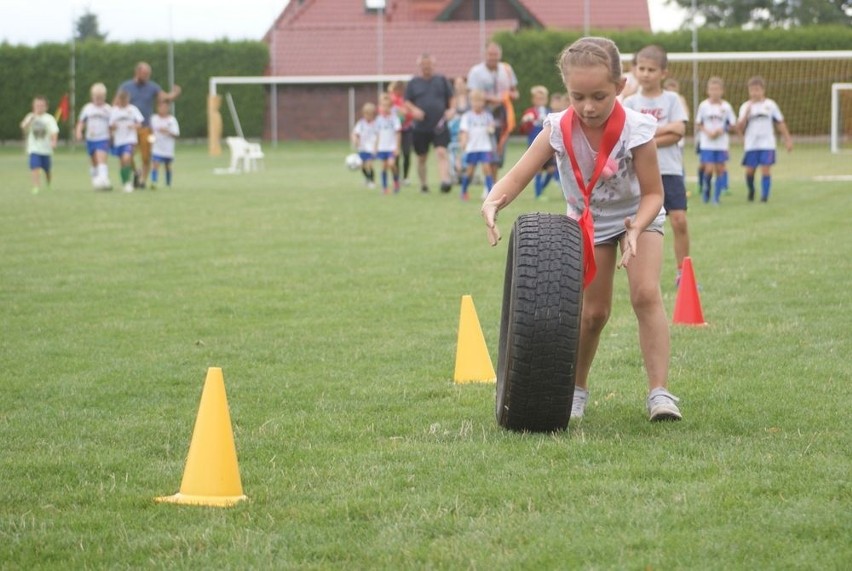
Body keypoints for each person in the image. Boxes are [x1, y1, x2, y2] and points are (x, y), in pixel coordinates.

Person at [481, 37, 682, 423]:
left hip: (637, 216)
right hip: (588, 221)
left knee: (644, 294)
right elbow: (519, 174)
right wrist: (493, 201)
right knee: (593, 313)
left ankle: (659, 393)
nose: (588, 107)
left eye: (599, 96)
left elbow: (655, 193)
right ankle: (576, 390)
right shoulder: (558, 128)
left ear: (621, 88)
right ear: (566, 91)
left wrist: (638, 228)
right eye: (578, 96)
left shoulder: (638, 129)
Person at [623, 45, 691, 288]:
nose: (646, 73)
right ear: (634, 69)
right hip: (640, 174)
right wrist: (662, 129)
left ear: (663, 73)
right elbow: (628, 136)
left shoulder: (672, 99)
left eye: (652, 69)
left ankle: (683, 272)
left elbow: (679, 132)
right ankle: (644, 278)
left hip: (670, 170)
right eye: (641, 68)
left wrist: (646, 136)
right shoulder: (629, 102)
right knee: (641, 226)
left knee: (679, 221)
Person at [118, 62, 181, 188]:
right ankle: (136, 172)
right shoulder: (126, 86)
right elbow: (116, 104)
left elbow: (164, 98)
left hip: (146, 128)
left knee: (146, 157)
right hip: (131, 129)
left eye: (148, 74)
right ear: (137, 72)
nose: (147, 77)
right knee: (127, 155)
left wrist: (174, 94)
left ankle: (142, 181)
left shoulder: (153, 87)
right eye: (145, 74)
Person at [466, 42, 519, 180]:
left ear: (500, 55)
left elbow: (515, 91)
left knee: (499, 149)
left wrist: (509, 96)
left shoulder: (506, 69)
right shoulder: (476, 72)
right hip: (485, 115)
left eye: (495, 54)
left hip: (503, 114)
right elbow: (473, 93)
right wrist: (492, 98)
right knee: (488, 148)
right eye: (490, 54)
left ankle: (493, 181)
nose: (493, 57)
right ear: (484, 55)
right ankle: (489, 183)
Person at [736, 76, 793, 202]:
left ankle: (764, 197)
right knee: (750, 171)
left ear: (763, 90)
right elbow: (739, 127)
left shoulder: (770, 105)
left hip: (767, 143)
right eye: (752, 90)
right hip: (751, 143)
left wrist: (787, 139)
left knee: (766, 169)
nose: (755, 93)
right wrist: (746, 114)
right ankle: (751, 190)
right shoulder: (745, 106)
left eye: (757, 90)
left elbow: (780, 123)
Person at [404, 53, 454, 193]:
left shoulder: (441, 80)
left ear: (434, 65)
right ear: (419, 66)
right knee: (422, 157)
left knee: (441, 152)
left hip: (439, 125)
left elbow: (451, 98)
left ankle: (445, 181)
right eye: (424, 66)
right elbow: (407, 102)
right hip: (421, 126)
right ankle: (424, 184)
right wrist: (414, 110)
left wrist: (452, 110)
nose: (427, 68)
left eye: (429, 65)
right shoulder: (413, 83)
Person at [696, 77, 738, 204]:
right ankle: (706, 191)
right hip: (707, 143)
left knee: (720, 169)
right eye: (712, 89)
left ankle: (716, 198)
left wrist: (722, 129)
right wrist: (708, 132)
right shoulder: (703, 106)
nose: (714, 92)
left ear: (722, 91)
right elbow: (698, 123)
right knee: (708, 169)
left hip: (721, 144)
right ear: (708, 91)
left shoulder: (726, 106)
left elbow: (732, 124)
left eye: (717, 89)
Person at [518, 85, 557, 199]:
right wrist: (525, 121)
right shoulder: (530, 112)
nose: (540, 100)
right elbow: (523, 130)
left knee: (551, 170)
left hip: (549, 145)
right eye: (537, 98)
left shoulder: (550, 113)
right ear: (533, 99)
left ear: (546, 99)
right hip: (534, 145)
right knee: (538, 169)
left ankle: (542, 187)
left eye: (542, 98)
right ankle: (538, 194)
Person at [458, 89, 495, 201]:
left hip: (485, 147)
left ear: (483, 102)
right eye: (475, 101)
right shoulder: (467, 117)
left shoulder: (487, 116)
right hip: (472, 148)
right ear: (471, 102)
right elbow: (464, 131)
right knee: (470, 171)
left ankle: (490, 194)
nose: (477, 104)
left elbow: (491, 128)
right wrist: (463, 142)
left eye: (480, 101)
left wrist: (491, 129)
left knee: (487, 168)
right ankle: (464, 191)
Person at [75, 83, 113, 190]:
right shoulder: (87, 108)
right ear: (92, 97)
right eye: (97, 98)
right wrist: (79, 132)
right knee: (93, 161)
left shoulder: (108, 109)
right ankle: (96, 180)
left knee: (101, 158)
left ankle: (104, 179)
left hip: (103, 138)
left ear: (105, 97)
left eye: (101, 98)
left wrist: (112, 135)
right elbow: (81, 122)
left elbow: (112, 124)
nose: (99, 100)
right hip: (91, 138)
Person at [663, 77, 696, 197]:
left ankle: (681, 188)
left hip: (677, 141)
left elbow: (684, 117)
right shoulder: (663, 101)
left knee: (678, 165)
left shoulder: (679, 100)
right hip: (663, 138)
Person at [20, 95, 59, 194]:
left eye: (42, 106)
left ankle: (49, 183)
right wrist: (30, 120)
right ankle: (36, 187)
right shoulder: (30, 116)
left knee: (47, 170)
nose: (39, 108)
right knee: (35, 167)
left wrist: (54, 141)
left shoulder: (49, 118)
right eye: (37, 105)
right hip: (34, 149)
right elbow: (23, 127)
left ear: (46, 107)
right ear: (33, 106)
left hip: (46, 149)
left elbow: (54, 131)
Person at [109, 89, 144, 193]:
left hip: (130, 139)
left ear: (128, 99)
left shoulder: (132, 110)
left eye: (125, 100)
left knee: (126, 158)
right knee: (122, 162)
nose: (123, 102)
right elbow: (110, 125)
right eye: (121, 100)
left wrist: (133, 126)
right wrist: (113, 127)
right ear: (118, 100)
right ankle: (125, 182)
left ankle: (128, 183)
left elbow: (140, 123)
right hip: (119, 140)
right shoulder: (114, 111)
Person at [149, 100, 180, 190]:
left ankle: (168, 183)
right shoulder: (154, 119)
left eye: (165, 107)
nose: (163, 109)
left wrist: (167, 131)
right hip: (157, 147)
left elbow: (176, 134)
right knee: (155, 164)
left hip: (168, 148)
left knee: (168, 166)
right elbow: (150, 131)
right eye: (161, 107)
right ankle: (154, 182)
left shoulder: (172, 120)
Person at [388, 81, 414, 185]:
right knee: (396, 154)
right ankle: (396, 177)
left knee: (407, 153)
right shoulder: (391, 100)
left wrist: (406, 112)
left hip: (406, 129)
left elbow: (411, 113)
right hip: (395, 131)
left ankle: (406, 177)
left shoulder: (407, 100)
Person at [375, 93, 402, 194]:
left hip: (391, 146)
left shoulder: (394, 119)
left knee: (391, 164)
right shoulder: (378, 120)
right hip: (382, 147)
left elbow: (398, 133)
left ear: (391, 107)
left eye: (387, 106)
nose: (385, 108)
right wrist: (376, 147)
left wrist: (397, 147)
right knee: (383, 166)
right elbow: (377, 134)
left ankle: (396, 181)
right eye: (382, 106)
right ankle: (385, 187)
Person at [351, 102, 378, 189]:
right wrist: (355, 140)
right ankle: (367, 178)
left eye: (370, 115)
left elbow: (378, 135)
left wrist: (376, 147)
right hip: (362, 148)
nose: (368, 116)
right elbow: (355, 133)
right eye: (366, 114)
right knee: (362, 165)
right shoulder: (361, 123)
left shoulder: (376, 124)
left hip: (371, 148)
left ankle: (372, 180)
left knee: (369, 164)